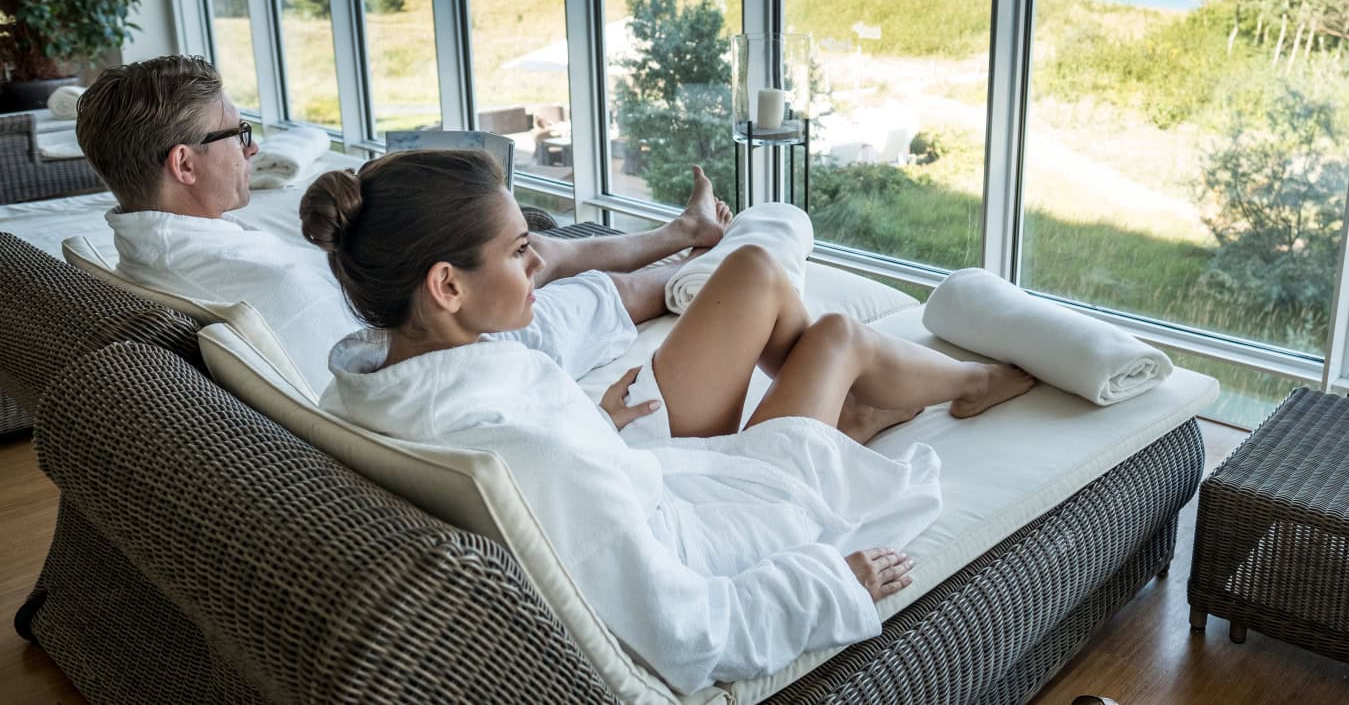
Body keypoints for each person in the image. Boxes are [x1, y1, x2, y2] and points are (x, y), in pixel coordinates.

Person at [300, 148, 1035, 691]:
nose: (539, 264)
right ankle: (971, 383)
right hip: (710, 529)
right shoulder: (525, 452)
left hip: (629, 467)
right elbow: (685, 634)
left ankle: (856, 413)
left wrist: (593, 422)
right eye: (522, 251)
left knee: (755, 276)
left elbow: (531, 472)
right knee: (835, 337)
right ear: (446, 284)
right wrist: (832, 584)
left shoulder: (371, 389)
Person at [72, 54, 730, 391]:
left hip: (428, 311)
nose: (250, 147)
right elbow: (389, 371)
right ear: (184, 164)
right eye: (236, 132)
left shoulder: (142, 256)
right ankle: (697, 258)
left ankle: (680, 235)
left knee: (539, 249)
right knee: (594, 285)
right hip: (462, 349)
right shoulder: (275, 290)